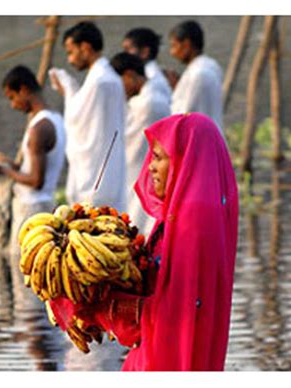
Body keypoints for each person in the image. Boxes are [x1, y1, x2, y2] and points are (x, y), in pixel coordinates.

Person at [50, 113, 239, 371]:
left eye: (159, 157)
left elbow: (172, 313)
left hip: (165, 358)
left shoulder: (194, 217)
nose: (150, 166)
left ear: (187, 162)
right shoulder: (182, 214)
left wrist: (100, 308)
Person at [0, 65, 66, 296]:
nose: (13, 104)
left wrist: (3, 171)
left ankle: (31, 327)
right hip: (41, 206)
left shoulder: (39, 128)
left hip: (32, 209)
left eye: (12, 97)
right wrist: (11, 165)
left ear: (24, 90)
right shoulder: (54, 118)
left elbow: (36, 180)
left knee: (27, 277)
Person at [50, 21, 127, 211]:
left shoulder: (101, 81)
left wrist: (68, 89)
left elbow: (79, 119)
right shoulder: (107, 77)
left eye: (70, 52)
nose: (69, 59)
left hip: (96, 177)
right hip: (110, 175)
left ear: (85, 47)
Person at [110, 52, 170, 236]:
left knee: (141, 221)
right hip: (145, 169)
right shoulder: (153, 96)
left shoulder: (147, 103)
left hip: (142, 169)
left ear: (129, 75)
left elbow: (124, 137)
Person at [169, 20, 224, 133]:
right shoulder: (210, 66)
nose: (172, 52)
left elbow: (186, 114)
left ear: (187, 45)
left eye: (174, 46)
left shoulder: (199, 74)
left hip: (201, 142)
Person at [122, 27, 173, 104]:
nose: (124, 54)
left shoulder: (151, 76)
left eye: (128, 49)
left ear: (144, 52)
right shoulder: (155, 73)